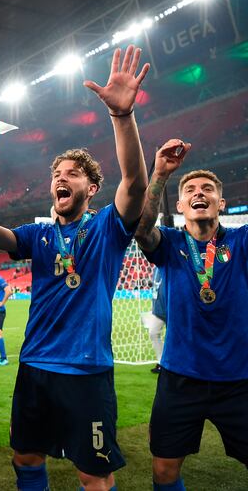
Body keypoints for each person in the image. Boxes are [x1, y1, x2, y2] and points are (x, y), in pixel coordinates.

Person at [0, 45, 150, 490]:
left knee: (94, 473)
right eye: (56, 173)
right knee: (25, 458)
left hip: (86, 372)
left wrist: (122, 117)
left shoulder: (106, 227)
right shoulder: (37, 235)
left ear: (93, 186)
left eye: (72, 173)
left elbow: (136, 184)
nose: (61, 178)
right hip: (36, 367)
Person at [134, 140, 248, 490]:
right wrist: (160, 175)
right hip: (180, 379)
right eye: (191, 190)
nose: (200, 193)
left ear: (221, 203)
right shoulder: (169, 242)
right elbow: (141, 229)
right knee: (165, 469)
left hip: (239, 379)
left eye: (208, 189)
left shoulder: (242, 241)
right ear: (181, 205)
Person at [140, 265, 167, 373]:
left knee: (175, 339)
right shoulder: (156, 268)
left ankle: (174, 364)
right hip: (158, 310)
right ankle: (161, 363)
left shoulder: (170, 267)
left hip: (171, 310)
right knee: (153, 333)